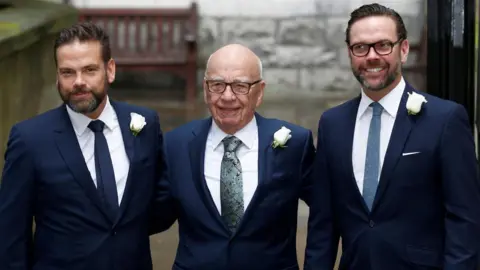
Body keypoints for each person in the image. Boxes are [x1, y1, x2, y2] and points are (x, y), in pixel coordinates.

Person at [305, 3, 480, 270]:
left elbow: (464, 220)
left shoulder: (445, 120)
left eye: (383, 45)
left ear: (404, 50)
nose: (372, 56)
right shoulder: (333, 124)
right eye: (360, 47)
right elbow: (323, 225)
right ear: (350, 54)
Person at [0, 22, 171, 270]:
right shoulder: (29, 140)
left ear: (110, 70)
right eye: (68, 72)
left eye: (90, 70)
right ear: (58, 77)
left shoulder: (145, 125)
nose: (79, 81)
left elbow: (159, 203)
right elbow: (10, 234)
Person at [157, 43, 317, 270]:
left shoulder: (294, 144)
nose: (227, 96)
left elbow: (326, 214)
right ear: (205, 89)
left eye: (240, 86)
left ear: (259, 92)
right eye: (217, 85)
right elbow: (155, 216)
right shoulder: (176, 145)